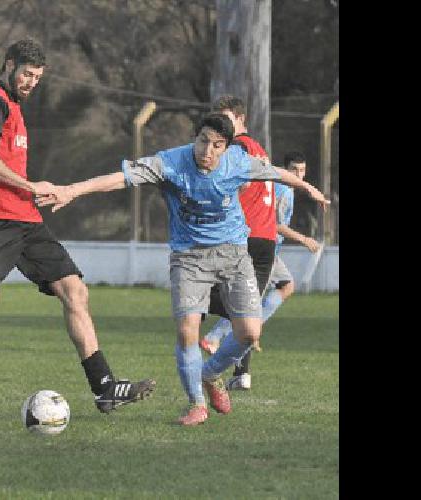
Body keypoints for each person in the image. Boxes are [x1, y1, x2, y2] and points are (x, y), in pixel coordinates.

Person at [0, 39, 156, 414]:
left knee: (75, 291)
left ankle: (104, 386)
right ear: (8, 66)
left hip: (26, 221)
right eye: (26, 74)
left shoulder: (11, 108)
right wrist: (30, 186)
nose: (31, 82)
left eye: (37, 77)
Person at [37, 113, 329, 425]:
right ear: (195, 137)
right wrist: (70, 190)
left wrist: (306, 187)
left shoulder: (239, 162)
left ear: (227, 147)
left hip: (234, 255)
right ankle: (196, 405)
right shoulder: (170, 164)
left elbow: (276, 174)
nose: (207, 150)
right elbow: (118, 179)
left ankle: (210, 374)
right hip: (189, 258)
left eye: (217, 145)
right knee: (187, 330)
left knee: (249, 333)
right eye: (203, 140)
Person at [203, 151, 321, 390]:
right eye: (294, 170)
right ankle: (222, 342)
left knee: (278, 290)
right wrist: (304, 239)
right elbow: (276, 224)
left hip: (267, 250)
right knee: (250, 304)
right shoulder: (282, 189)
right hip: (265, 251)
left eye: (302, 171)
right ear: (284, 169)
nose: (298, 175)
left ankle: (231, 349)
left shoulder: (277, 187)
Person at [200, 96, 277, 367]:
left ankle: (197, 302)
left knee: (244, 312)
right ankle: (235, 374)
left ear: (240, 119)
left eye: (226, 119)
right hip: (263, 236)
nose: (222, 126)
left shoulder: (238, 147)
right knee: (247, 314)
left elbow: (238, 184)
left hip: (248, 234)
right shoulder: (258, 148)